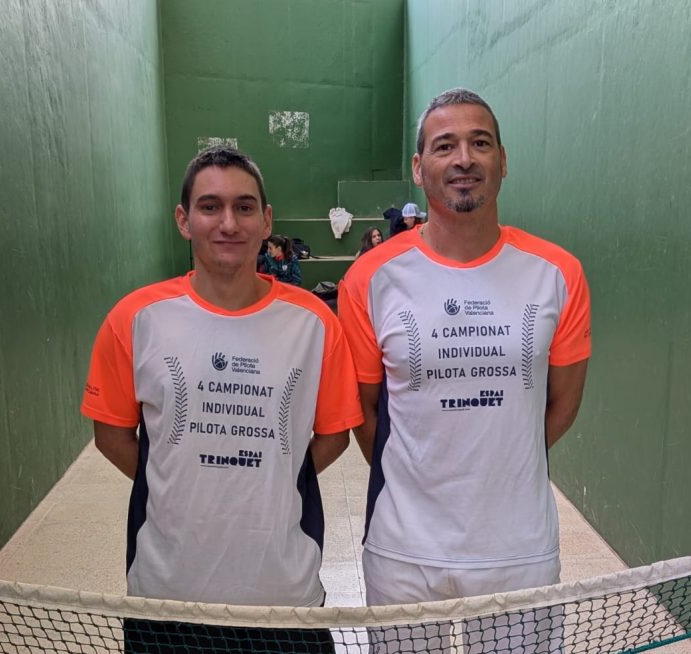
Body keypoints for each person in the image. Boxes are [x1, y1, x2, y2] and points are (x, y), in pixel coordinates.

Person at [81, 146, 363, 653]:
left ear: (266, 221)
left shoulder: (316, 324)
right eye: (210, 207)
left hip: (285, 601)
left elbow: (334, 436)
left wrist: (270, 474)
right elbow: (110, 435)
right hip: (166, 601)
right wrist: (183, 480)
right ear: (183, 220)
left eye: (244, 207)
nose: (228, 223)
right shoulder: (134, 319)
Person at [338, 88, 590, 652]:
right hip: (403, 551)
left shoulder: (558, 273)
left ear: (503, 160)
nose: (464, 159)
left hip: (519, 550)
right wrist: (424, 473)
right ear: (418, 167)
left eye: (480, 143)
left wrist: (501, 460)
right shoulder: (369, 279)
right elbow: (365, 413)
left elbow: (563, 403)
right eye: (444, 145)